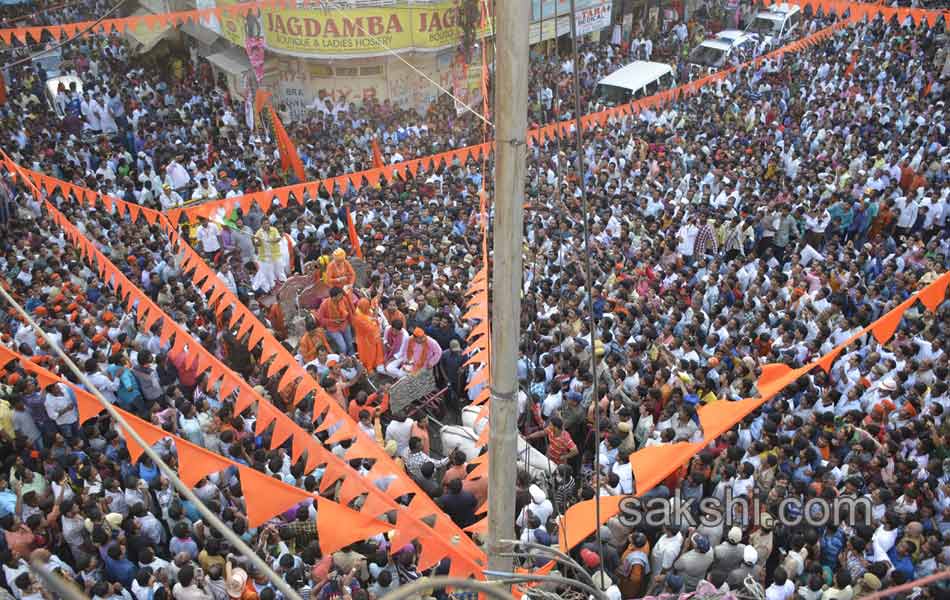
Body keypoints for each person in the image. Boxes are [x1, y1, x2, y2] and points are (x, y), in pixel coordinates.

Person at [316, 287, 355, 355]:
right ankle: (344, 360)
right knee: (343, 347)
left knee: (350, 344)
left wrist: (352, 323)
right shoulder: (324, 305)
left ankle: (352, 357)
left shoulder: (343, 300)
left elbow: (349, 311)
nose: (342, 296)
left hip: (345, 324)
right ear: (334, 297)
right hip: (333, 329)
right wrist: (333, 321)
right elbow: (320, 319)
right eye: (340, 295)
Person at [351, 298, 384, 371]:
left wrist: (374, 319)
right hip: (364, 339)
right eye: (367, 306)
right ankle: (369, 367)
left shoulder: (363, 310)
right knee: (368, 354)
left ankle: (375, 364)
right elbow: (369, 328)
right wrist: (375, 321)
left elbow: (371, 316)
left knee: (374, 351)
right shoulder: (358, 316)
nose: (369, 308)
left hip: (371, 337)